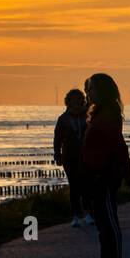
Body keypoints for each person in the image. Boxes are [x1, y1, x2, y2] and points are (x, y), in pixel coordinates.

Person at [80, 73, 130, 258]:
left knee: (108, 222)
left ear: (101, 91)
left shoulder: (108, 114)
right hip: (96, 176)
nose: (87, 92)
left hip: (104, 177)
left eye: (90, 89)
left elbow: (117, 146)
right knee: (102, 223)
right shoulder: (99, 113)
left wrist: (125, 173)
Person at [53, 89, 92, 226]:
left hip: (86, 156)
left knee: (86, 185)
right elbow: (57, 139)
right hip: (69, 157)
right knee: (74, 186)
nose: (76, 102)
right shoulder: (63, 119)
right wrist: (57, 155)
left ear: (82, 101)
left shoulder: (87, 116)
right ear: (68, 102)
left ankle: (88, 213)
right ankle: (76, 215)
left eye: (78, 100)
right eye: (73, 100)